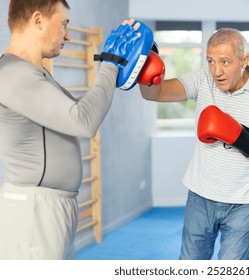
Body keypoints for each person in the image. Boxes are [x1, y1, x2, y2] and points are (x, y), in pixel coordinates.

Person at [0, 0, 148, 259]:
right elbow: (83, 121)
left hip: (45, 206)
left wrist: (110, 68)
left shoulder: (32, 73)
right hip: (34, 211)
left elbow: (80, 111)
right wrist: (111, 64)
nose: (67, 34)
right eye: (64, 23)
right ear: (38, 20)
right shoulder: (13, 74)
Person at [139, 28, 249, 259]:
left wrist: (237, 136)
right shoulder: (202, 80)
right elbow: (155, 94)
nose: (216, 71)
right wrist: (145, 63)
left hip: (243, 203)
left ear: (244, 60)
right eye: (211, 61)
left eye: (225, 62)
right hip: (200, 197)